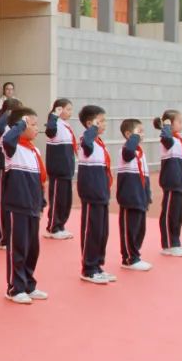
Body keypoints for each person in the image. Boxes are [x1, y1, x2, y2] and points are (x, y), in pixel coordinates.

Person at [1, 107, 49, 305]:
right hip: (17, 205)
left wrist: (41, 201)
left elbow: (39, 179)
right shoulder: (12, 148)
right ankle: (15, 287)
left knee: (32, 248)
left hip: (32, 205)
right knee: (18, 247)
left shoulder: (34, 149)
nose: (37, 128)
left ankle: (29, 283)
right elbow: (7, 138)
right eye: (33, 124)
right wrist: (21, 123)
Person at [77, 105, 114, 285]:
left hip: (101, 192)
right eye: (102, 120)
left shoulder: (98, 142)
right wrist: (93, 127)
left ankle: (98, 265)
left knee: (102, 232)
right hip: (92, 192)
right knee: (91, 230)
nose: (105, 124)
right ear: (91, 123)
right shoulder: (86, 139)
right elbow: (87, 144)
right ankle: (89, 268)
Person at [116, 119, 153, 271]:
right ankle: (129, 258)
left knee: (140, 229)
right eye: (139, 131)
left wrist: (147, 195)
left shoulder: (140, 153)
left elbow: (145, 177)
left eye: (142, 132)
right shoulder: (126, 150)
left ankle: (136, 254)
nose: (142, 134)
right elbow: (129, 152)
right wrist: (134, 138)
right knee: (129, 228)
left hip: (140, 197)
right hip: (130, 197)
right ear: (128, 134)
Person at [153, 110, 182, 257]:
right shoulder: (167, 139)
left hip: (179, 183)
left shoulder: (178, 140)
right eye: (179, 121)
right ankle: (169, 244)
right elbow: (165, 136)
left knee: (178, 215)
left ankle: (175, 242)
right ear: (169, 123)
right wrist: (166, 126)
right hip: (171, 182)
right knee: (170, 213)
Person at [0, 99, 22, 250]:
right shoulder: (3, 125)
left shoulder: (16, 126)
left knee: (11, 201)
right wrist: (7, 113)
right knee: (1, 202)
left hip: (14, 165)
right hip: (2, 165)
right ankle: (1, 237)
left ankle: (10, 234)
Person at [44, 99, 77, 240]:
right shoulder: (54, 124)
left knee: (65, 200)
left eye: (71, 109)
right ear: (59, 109)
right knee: (57, 199)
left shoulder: (65, 125)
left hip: (67, 169)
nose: (70, 112)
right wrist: (53, 115)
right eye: (67, 109)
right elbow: (50, 131)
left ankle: (61, 225)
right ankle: (53, 227)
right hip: (58, 169)